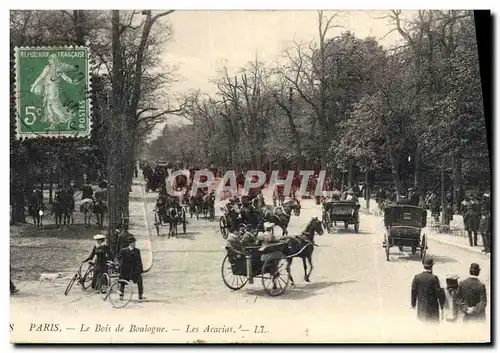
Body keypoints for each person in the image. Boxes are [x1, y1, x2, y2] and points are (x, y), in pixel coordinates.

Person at [411, 258, 445, 323]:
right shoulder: (434, 278)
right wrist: (442, 305)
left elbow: (413, 291)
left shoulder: (417, 277)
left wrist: (413, 304)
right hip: (432, 308)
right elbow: (438, 293)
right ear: (432, 266)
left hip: (421, 307)